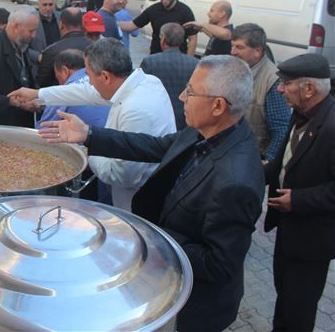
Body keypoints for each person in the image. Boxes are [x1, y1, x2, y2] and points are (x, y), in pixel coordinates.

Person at [39, 55, 265, 332]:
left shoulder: (235, 180)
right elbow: (155, 146)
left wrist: (146, 235)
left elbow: (217, 263)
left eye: (191, 91)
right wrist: (88, 135)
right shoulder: (207, 131)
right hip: (169, 276)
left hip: (196, 307)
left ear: (218, 105)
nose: (181, 96)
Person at [9, 38, 176, 210]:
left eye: (88, 75)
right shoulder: (144, 81)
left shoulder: (136, 110)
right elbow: (88, 92)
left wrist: (84, 151)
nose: (87, 81)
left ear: (105, 76)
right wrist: (38, 94)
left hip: (139, 202)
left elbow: (121, 175)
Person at [264, 53, 334, 332]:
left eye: (286, 83)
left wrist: (300, 200)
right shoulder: (301, 112)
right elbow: (286, 159)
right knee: (285, 294)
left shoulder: (331, 126)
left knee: (299, 308)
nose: (280, 88)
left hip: (312, 239)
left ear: (309, 88)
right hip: (288, 229)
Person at [230, 23, 290, 162]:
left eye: (239, 47)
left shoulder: (272, 81)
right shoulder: (236, 69)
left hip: (252, 159)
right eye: (232, 45)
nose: (232, 52)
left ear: (257, 51)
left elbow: (281, 130)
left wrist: (265, 164)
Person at [140, 22, 198, 130]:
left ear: (163, 39)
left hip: (157, 119)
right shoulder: (195, 63)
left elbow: (142, 93)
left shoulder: (150, 62)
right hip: (185, 120)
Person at [119, 0, 198, 55]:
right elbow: (132, 25)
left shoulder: (185, 11)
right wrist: (111, 21)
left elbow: (193, 39)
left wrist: (189, 61)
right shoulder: (153, 9)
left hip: (178, 60)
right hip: (156, 58)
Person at [36, 48, 109, 130]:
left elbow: (43, 129)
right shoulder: (102, 85)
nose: (59, 82)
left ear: (65, 71)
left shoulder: (60, 94)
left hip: (83, 141)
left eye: (58, 78)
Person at [36, 7, 91, 88]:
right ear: (83, 24)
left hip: (57, 98)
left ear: (61, 24)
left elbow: (42, 83)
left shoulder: (52, 51)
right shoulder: (96, 48)